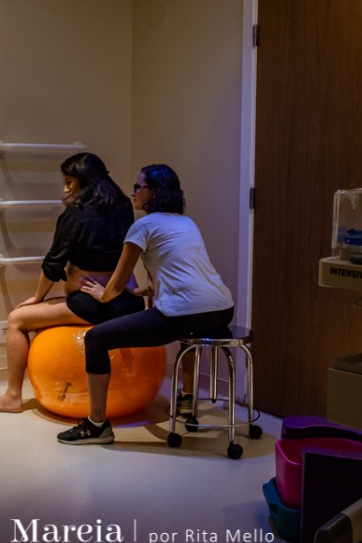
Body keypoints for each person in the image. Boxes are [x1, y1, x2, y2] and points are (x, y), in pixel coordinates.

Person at [57, 163, 234, 445]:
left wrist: (101, 294)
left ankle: (97, 425)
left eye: (138, 187)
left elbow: (116, 286)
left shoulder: (143, 225)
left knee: (95, 339)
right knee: (189, 329)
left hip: (185, 314)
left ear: (155, 192)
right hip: (222, 310)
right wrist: (141, 291)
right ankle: (187, 399)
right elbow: (186, 274)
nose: (133, 193)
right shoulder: (186, 223)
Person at [0, 152, 145, 413]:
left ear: (84, 181)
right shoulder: (123, 206)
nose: (66, 189)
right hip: (126, 299)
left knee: (17, 319)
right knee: (42, 312)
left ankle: (12, 396)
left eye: (69, 182)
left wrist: (37, 297)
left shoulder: (76, 214)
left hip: (93, 305)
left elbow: (53, 263)